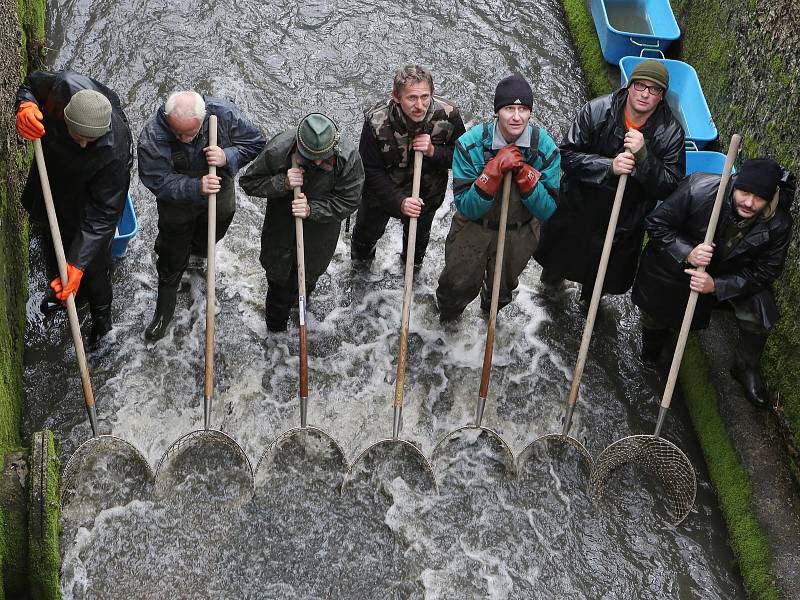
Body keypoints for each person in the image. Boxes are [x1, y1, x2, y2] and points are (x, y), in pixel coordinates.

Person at [631, 159, 794, 408]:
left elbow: (767, 271)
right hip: (679, 268)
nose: (749, 203)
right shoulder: (699, 189)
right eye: (745, 193)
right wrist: (687, 252)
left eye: (759, 198)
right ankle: (652, 349)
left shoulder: (778, 223)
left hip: (729, 277)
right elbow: (656, 223)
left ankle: (745, 367)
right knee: (656, 308)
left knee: (760, 307)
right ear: (735, 185)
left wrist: (717, 285)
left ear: (771, 198)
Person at [534, 59, 685, 301]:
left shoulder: (670, 133)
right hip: (578, 209)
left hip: (622, 224)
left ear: (661, 96)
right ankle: (547, 299)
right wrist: (608, 167)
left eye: (654, 89)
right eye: (640, 86)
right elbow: (566, 156)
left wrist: (644, 159)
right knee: (555, 268)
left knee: (599, 284)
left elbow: (671, 187)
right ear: (629, 86)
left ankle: (589, 309)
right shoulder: (596, 111)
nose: (645, 95)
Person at [15, 70, 133, 346]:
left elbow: (103, 216)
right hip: (56, 165)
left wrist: (78, 263)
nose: (83, 143)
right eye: (79, 135)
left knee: (93, 263)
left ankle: (103, 324)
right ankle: (60, 273)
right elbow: (31, 84)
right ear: (64, 115)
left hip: (92, 186)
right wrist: (26, 105)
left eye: (89, 140)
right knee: (49, 218)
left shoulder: (114, 155)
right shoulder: (62, 88)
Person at [138, 90, 265, 340]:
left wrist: (227, 156)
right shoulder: (152, 135)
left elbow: (256, 142)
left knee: (223, 215)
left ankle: (198, 257)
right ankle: (164, 309)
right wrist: (196, 187)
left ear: (204, 116)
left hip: (218, 182)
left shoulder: (224, 114)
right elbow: (156, 180)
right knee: (172, 252)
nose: (184, 139)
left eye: (190, 133)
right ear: (167, 118)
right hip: (177, 196)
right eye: (178, 133)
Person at [436, 74, 561, 320]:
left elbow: (548, 210)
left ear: (530, 113)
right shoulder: (469, 145)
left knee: (501, 290)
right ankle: (449, 322)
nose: (516, 116)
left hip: (520, 231)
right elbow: (467, 207)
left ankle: (489, 316)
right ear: (497, 112)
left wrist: (526, 176)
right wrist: (492, 173)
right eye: (509, 109)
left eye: (523, 109)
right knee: (456, 284)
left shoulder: (544, 148)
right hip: (474, 227)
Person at [239, 113, 364, 332]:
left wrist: (311, 209)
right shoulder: (279, 150)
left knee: (307, 279)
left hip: (320, 234)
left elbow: (350, 200)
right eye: (310, 157)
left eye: (322, 157)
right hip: (281, 230)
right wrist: (283, 182)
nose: (316, 162)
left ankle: (300, 307)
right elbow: (249, 182)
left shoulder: (348, 157)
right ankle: (275, 332)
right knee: (278, 286)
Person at [350, 65, 466, 266]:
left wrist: (433, 152)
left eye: (425, 97)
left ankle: (410, 273)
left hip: (425, 194)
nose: (419, 105)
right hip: (381, 195)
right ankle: (361, 274)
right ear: (396, 97)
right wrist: (399, 201)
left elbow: (465, 159)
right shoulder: (376, 121)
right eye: (412, 98)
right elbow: (369, 170)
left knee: (416, 251)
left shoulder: (449, 115)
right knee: (363, 243)